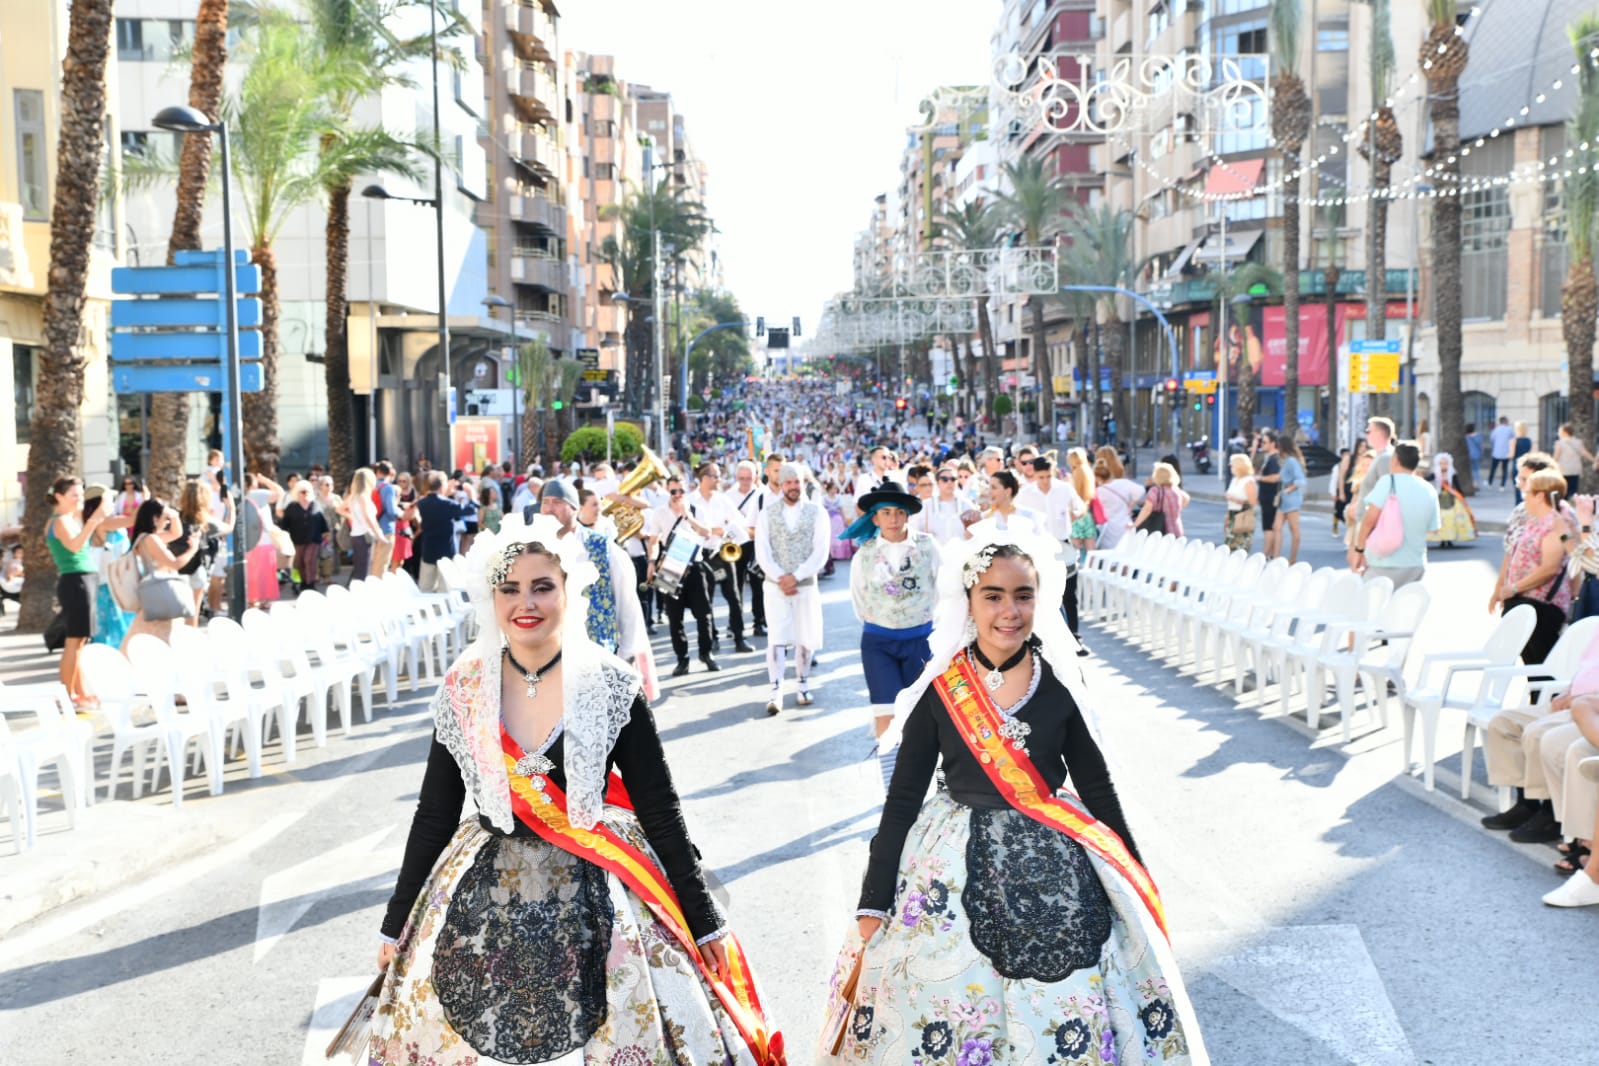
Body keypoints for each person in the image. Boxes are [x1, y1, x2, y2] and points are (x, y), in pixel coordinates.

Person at [369, 514, 780, 1065]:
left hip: (601, 887)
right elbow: (433, 815)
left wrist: (703, 919)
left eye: (543, 587)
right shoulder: (464, 689)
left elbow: (660, 808)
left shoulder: (611, 683)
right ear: (490, 597)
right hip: (486, 892)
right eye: (510, 589)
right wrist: (395, 925)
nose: (526, 603)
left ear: (570, 591)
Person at [830, 533, 1203, 1064]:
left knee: (1064, 1010)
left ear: (1040, 600)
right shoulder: (942, 689)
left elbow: (1096, 786)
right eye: (993, 595)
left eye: (1023, 595)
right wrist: (875, 893)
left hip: (1056, 863)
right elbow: (905, 795)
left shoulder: (1059, 686)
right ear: (969, 602)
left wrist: (1135, 874)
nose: (1010, 611)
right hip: (951, 860)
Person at [844, 480, 939, 747]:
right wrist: (884, 619)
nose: (893, 519)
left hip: (920, 640)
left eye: (899, 512)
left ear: (907, 514)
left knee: (920, 717)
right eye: (886, 513)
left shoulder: (928, 545)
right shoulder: (865, 553)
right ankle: (892, 787)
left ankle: (920, 782)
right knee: (885, 714)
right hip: (879, 643)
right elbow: (859, 598)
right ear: (875, 517)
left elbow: (942, 591)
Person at [753, 462, 830, 715]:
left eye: (797, 481)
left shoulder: (817, 512)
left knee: (804, 636)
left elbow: (821, 551)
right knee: (776, 637)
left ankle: (803, 685)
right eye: (788, 482)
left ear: (803, 482)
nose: (793, 487)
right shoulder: (767, 513)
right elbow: (762, 551)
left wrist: (795, 576)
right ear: (780, 484)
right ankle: (775, 692)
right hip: (775, 587)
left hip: (805, 585)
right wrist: (780, 577)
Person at [1489, 469, 1573, 666]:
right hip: (1523, 601)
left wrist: (1513, 588)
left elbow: (1550, 568)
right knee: (1531, 665)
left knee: (1542, 667)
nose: (1523, 496)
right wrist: (1503, 589)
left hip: (1541, 606)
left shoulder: (1556, 524)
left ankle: (1546, 698)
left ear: (1540, 496)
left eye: (1527, 492)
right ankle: (1538, 698)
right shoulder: (1533, 520)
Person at [647, 475, 720, 676]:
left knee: (704, 614)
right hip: (670, 566)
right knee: (675, 617)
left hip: (694, 566)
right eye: (673, 492)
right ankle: (682, 659)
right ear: (667, 491)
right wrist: (652, 562)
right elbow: (653, 541)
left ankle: (706, 654)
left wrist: (688, 516)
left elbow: (707, 533)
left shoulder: (697, 510)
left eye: (681, 491)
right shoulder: (659, 513)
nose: (678, 495)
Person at [46, 478, 106, 708]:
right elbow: (75, 546)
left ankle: (79, 692)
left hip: (82, 580)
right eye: (75, 495)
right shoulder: (60, 521)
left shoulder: (68, 519)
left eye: (81, 494)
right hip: (75, 582)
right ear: (59, 496)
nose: (80, 499)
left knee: (80, 640)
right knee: (74, 641)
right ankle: (67, 695)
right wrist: (94, 521)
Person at [1348, 441, 1440, 588]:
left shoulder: (1388, 482)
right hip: (1416, 564)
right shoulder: (1429, 489)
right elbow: (1433, 529)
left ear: (1396, 460)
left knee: (1373, 606)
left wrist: (1359, 551)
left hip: (1384, 562)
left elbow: (1368, 522)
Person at [687, 462, 753, 654]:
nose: (719, 480)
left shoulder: (722, 499)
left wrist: (728, 529)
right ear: (705, 478)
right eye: (716, 476)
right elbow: (689, 528)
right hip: (702, 553)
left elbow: (739, 521)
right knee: (705, 599)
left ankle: (739, 637)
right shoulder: (691, 500)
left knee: (734, 595)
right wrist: (712, 529)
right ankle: (712, 637)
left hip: (721, 549)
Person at [121, 498, 201, 652]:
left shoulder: (145, 538)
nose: (167, 522)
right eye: (165, 518)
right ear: (155, 518)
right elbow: (176, 563)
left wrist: (174, 515)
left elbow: (176, 533)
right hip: (161, 597)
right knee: (160, 647)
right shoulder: (151, 539)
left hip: (156, 597)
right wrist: (193, 549)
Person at [82, 485, 135, 649]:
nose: (113, 502)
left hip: (102, 583)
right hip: (113, 585)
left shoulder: (90, 523)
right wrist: (145, 499)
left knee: (104, 630)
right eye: (110, 499)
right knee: (119, 630)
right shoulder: (105, 522)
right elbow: (134, 519)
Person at [410, 472, 476, 593]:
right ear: (442, 486)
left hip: (428, 550)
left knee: (425, 588)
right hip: (446, 551)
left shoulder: (422, 503)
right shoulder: (447, 504)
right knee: (444, 589)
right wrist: (471, 495)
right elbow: (471, 510)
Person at [278, 479, 328, 594]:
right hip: (297, 539)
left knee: (309, 560)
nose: (305, 494)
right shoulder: (291, 507)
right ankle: (304, 583)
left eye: (307, 492)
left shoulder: (316, 505)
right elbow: (285, 524)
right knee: (299, 562)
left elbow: (322, 522)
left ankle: (310, 584)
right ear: (297, 493)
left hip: (314, 539)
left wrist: (326, 534)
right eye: (302, 492)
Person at [1092, 447, 1144, 550]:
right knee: (1124, 558)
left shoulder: (1098, 488)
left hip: (1105, 527)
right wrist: (1130, 505)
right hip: (1124, 524)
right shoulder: (1123, 482)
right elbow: (1141, 490)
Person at [343, 468, 386, 584]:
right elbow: (369, 518)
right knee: (364, 571)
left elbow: (339, 509)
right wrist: (379, 534)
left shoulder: (353, 496)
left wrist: (353, 517)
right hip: (364, 536)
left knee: (360, 569)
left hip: (356, 535)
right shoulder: (363, 497)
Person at [1426, 452, 1477, 547]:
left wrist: (1462, 497)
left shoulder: (1452, 474)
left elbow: (1458, 486)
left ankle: (1449, 539)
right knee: (1440, 518)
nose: (1443, 465)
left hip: (1452, 498)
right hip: (1439, 498)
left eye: (1445, 463)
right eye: (1441, 463)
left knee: (1451, 518)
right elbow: (1427, 480)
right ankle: (1441, 539)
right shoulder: (1435, 474)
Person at [1131, 462, 1189, 539]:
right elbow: (1186, 499)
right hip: (1177, 531)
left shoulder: (1156, 491)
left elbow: (1147, 509)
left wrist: (1135, 525)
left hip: (1161, 531)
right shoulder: (1177, 491)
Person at [1273, 436, 1305, 565]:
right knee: (1277, 527)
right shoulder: (1285, 461)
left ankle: (1292, 558)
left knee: (1294, 529)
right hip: (1283, 498)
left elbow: (1300, 480)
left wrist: (1288, 489)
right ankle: (1276, 558)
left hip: (1291, 497)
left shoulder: (1291, 461)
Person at [1255, 431, 1283, 559]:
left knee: (1269, 527)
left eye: (1264, 442)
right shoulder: (1269, 459)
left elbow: (1275, 477)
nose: (1262, 444)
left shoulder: (1274, 459)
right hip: (1266, 497)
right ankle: (1271, 554)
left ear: (1273, 444)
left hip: (1270, 497)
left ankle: (1266, 554)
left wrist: (1259, 478)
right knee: (1269, 526)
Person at [1066, 447, 1099, 557]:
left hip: (1077, 515)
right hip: (1087, 514)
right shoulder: (1088, 471)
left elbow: (1076, 494)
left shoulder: (1077, 472)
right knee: (1091, 552)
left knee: (1075, 553)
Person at [371, 460, 402, 575]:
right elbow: (391, 511)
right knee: (382, 564)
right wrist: (401, 515)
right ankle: (378, 589)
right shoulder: (388, 488)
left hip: (372, 527)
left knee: (374, 563)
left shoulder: (371, 486)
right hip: (386, 528)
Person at [1223, 453, 1259, 552]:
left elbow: (1252, 502)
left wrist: (1234, 499)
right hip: (1231, 513)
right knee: (1229, 546)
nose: (1230, 466)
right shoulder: (1235, 479)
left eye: (1232, 464)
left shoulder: (1248, 481)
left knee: (1239, 548)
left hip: (1243, 515)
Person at [1555, 422, 1595, 499]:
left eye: (1560, 431)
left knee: (1564, 489)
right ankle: (1573, 504)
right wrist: (1594, 460)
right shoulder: (1578, 442)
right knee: (1573, 489)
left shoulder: (1560, 443)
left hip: (1563, 470)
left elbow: (1556, 457)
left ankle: (1565, 506)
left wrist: (1550, 465)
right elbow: (1585, 452)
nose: (1558, 433)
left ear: (1564, 432)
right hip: (1575, 470)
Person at [390, 471, 418, 573]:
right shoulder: (394, 492)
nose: (401, 483)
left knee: (402, 558)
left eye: (404, 481)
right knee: (397, 559)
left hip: (408, 527)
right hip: (400, 527)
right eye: (399, 481)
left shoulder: (413, 491)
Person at [1489, 415, 1516, 487]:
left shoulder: (1496, 430)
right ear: (1505, 421)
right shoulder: (1510, 430)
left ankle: (1490, 482)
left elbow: (1492, 439)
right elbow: (1514, 440)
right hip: (1505, 453)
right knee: (1504, 469)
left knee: (1493, 469)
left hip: (1496, 453)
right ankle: (1502, 485)